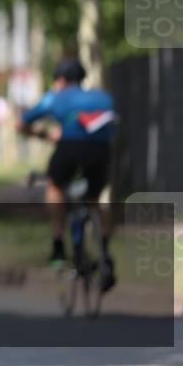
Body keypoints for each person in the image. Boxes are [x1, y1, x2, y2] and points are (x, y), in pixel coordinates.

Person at [17, 58, 116, 291]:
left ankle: (58, 243)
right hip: (101, 150)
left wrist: (43, 135)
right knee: (94, 200)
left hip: (70, 147)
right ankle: (106, 256)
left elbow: (21, 124)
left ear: (60, 80)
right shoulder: (103, 96)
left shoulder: (54, 96)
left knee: (54, 186)